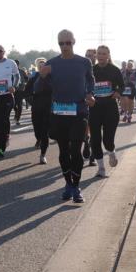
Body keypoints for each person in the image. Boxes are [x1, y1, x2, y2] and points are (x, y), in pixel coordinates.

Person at [37, 30, 95, 204]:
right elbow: (39, 88)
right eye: (61, 43)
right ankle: (68, 183)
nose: (64, 47)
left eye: (68, 43)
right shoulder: (51, 63)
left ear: (74, 42)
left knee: (75, 150)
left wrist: (90, 94)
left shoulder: (84, 62)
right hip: (59, 113)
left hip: (79, 112)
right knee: (63, 151)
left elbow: (90, 80)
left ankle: (76, 187)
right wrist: (42, 76)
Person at [88, 45, 122, 178]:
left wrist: (118, 92)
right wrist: (88, 95)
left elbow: (122, 85)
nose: (101, 56)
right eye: (99, 54)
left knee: (108, 140)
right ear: (96, 56)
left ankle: (111, 152)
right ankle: (101, 168)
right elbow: (85, 85)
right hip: (95, 108)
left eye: (104, 54)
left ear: (108, 55)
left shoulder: (114, 70)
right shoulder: (91, 70)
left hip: (110, 108)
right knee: (95, 140)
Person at [27, 58, 52, 164]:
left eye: (44, 65)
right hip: (36, 107)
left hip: (48, 107)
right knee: (37, 129)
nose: (42, 67)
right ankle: (38, 139)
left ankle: (43, 155)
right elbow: (27, 92)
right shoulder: (33, 78)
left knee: (45, 131)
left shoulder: (52, 77)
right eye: (40, 66)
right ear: (37, 67)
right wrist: (32, 102)